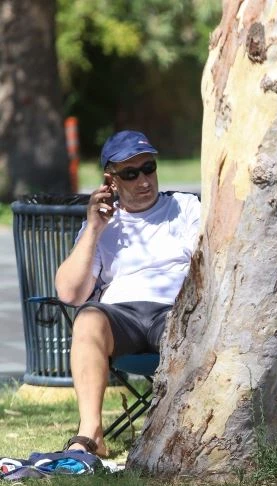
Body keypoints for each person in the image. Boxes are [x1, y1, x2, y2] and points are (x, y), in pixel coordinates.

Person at [55, 130, 201, 457]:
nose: (143, 179)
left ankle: (181, 434)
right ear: (111, 180)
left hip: (174, 311)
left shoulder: (185, 207)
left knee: (192, 326)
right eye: (130, 174)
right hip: (122, 316)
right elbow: (69, 292)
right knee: (88, 319)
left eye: (148, 168)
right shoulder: (103, 223)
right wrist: (93, 228)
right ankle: (91, 434)